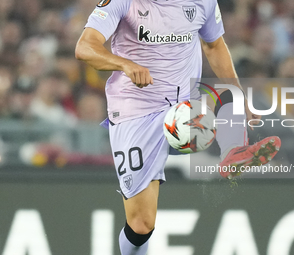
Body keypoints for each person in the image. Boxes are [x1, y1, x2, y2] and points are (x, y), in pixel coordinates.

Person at [75, 0, 281, 254]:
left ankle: (234, 151)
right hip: (136, 111)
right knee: (141, 224)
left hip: (183, 112)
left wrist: (241, 97)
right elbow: (85, 47)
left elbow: (214, 45)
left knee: (228, 94)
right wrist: (125, 64)